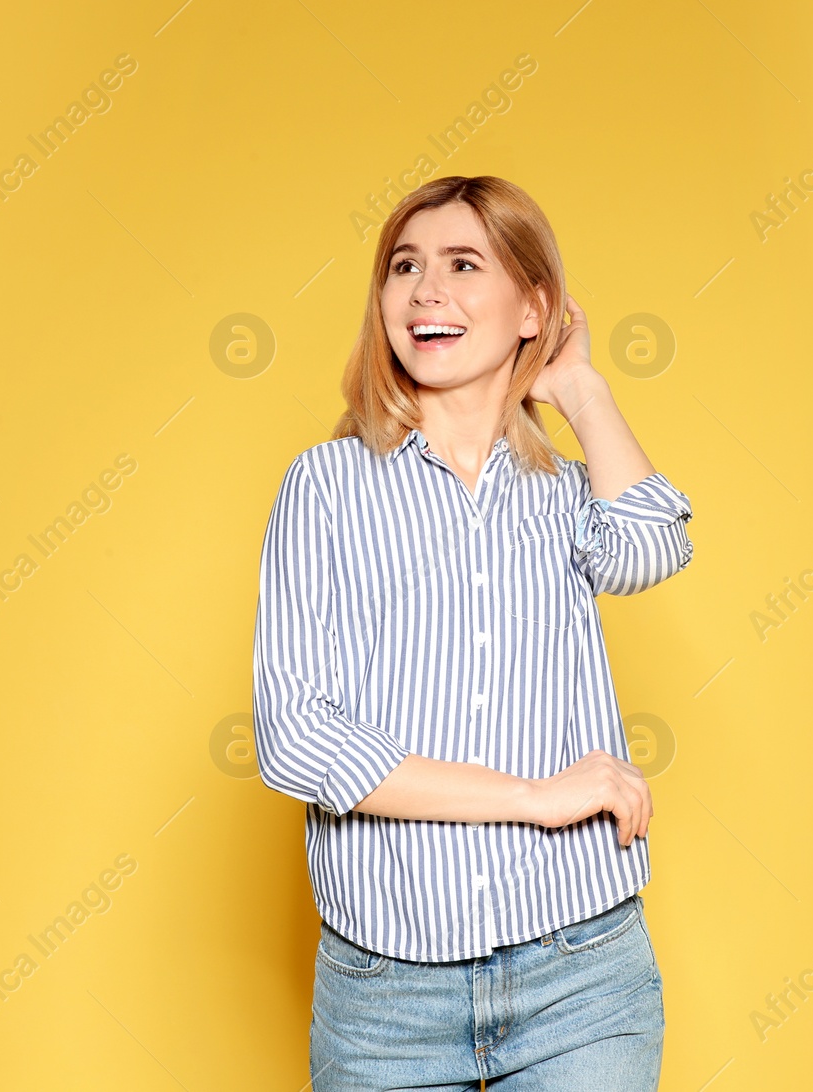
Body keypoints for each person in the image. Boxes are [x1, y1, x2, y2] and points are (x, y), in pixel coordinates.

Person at [252, 175, 695, 1090]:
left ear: (535, 305)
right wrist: (531, 797)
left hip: (582, 972)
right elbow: (297, 741)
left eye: (463, 265)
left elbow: (650, 549)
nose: (425, 293)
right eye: (404, 267)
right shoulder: (326, 488)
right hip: (386, 998)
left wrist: (577, 385)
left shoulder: (567, 494)